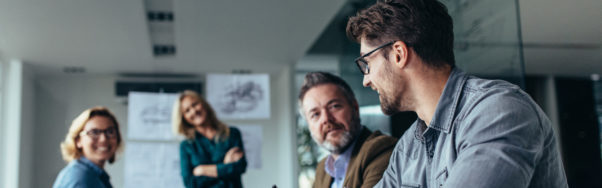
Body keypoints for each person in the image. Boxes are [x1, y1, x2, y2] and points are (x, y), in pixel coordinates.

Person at [345, 0, 568, 187]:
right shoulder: (408, 147)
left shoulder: (499, 112)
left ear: (399, 54)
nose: (366, 80)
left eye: (367, 63)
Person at [298, 72, 397, 188]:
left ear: (355, 108)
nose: (326, 119)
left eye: (334, 106)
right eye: (315, 114)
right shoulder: (322, 169)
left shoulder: (380, 149)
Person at [173, 90, 247, 188]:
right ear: (184, 118)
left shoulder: (232, 134)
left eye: (195, 104)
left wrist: (203, 170)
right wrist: (225, 166)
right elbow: (190, 183)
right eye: (187, 110)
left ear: (203, 104)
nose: (194, 111)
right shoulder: (186, 145)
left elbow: (240, 167)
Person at [53, 106, 123, 188]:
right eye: (94, 132)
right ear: (78, 140)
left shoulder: (96, 176)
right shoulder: (79, 177)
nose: (103, 139)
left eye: (110, 132)